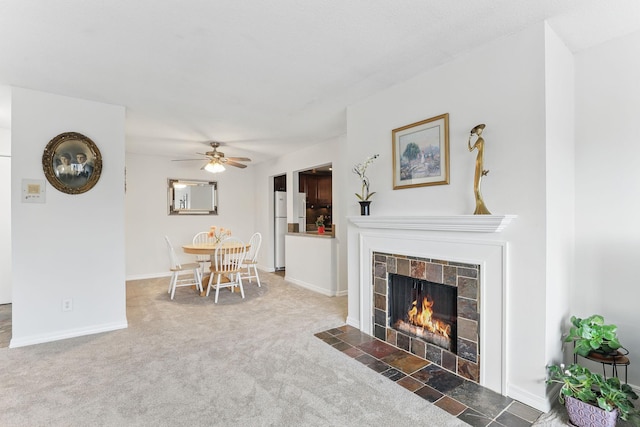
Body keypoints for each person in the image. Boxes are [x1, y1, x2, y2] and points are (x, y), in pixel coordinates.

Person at [467, 124, 491, 215]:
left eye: (479, 130)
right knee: (475, 187)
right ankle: (479, 207)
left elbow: (482, 152)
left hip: (481, 160)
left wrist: (482, 168)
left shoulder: (481, 140)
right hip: (478, 160)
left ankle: (481, 207)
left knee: (476, 187)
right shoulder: (478, 140)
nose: (478, 131)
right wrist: (469, 139)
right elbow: (470, 149)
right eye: (477, 130)